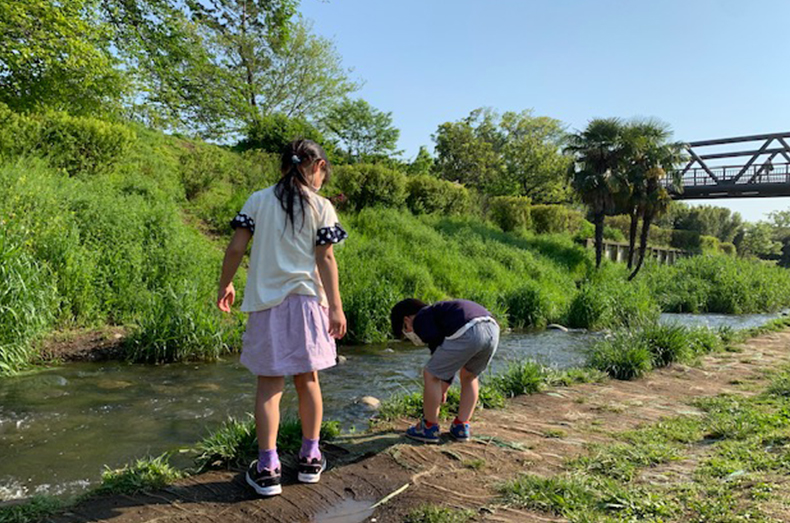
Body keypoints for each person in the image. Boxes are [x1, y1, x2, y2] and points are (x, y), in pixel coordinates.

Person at [217, 139, 347, 497]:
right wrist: (336, 306)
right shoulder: (321, 206)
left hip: (266, 303)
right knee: (308, 380)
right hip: (308, 302)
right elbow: (327, 259)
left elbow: (236, 247)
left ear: (283, 167)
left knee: (269, 384)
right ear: (318, 167)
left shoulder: (258, 200)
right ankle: (309, 458)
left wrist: (225, 284)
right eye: (324, 173)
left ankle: (268, 467)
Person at [390, 299, 499, 443]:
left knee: (430, 374)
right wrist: (444, 384)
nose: (409, 335)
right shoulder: (437, 313)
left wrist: (443, 388)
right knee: (469, 376)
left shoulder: (421, 318)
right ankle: (461, 426)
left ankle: (429, 427)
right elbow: (446, 362)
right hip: (492, 329)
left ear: (407, 320)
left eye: (405, 330)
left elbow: (439, 357)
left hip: (469, 329)